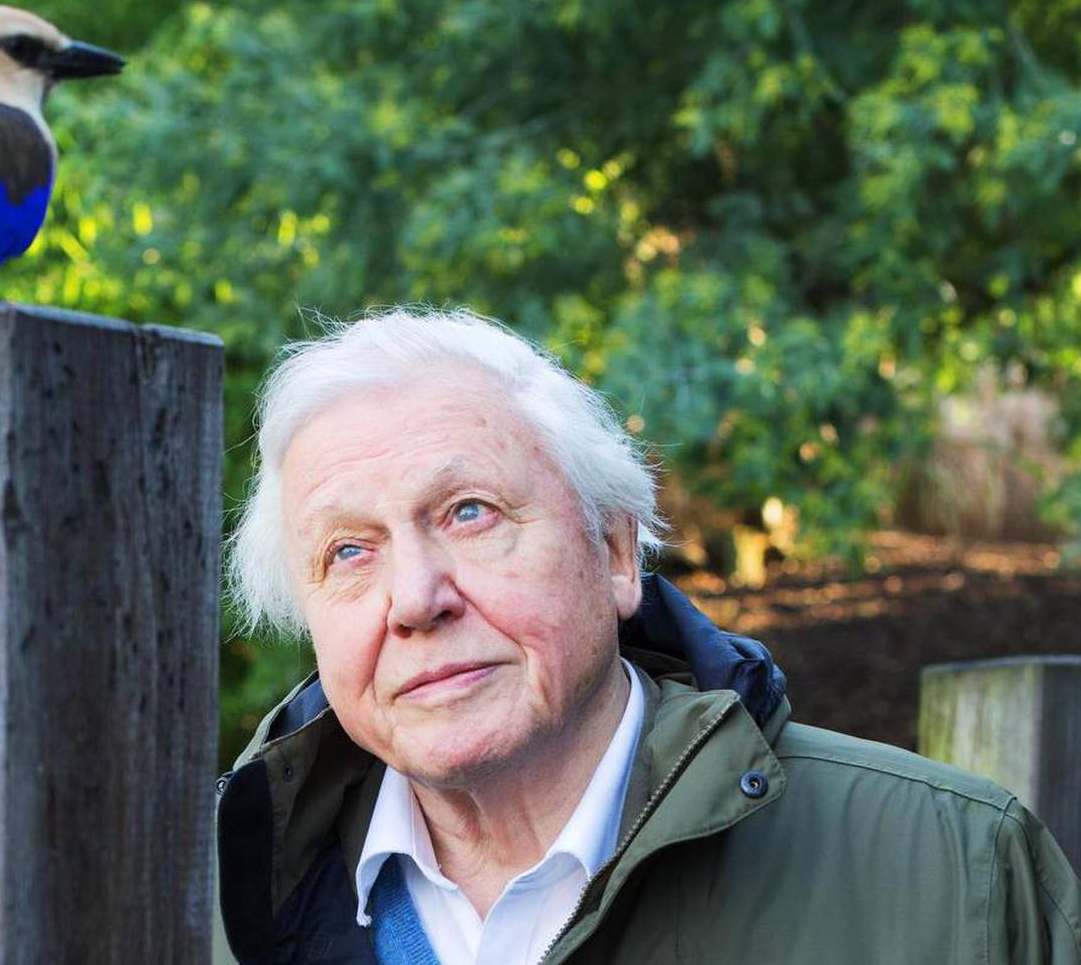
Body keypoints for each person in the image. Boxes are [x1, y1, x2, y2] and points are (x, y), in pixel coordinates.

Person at [216, 308, 1081, 965]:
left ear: (617, 551)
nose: (413, 599)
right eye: (349, 551)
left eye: (469, 512)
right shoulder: (197, 904)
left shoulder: (951, 872)